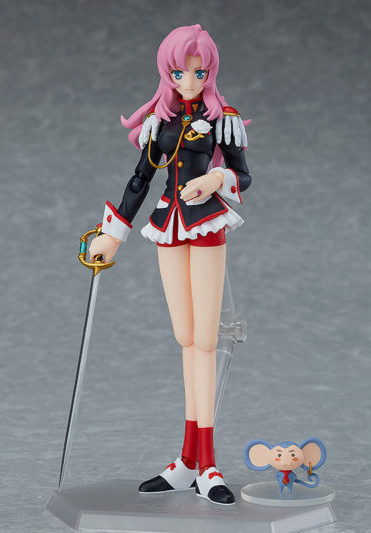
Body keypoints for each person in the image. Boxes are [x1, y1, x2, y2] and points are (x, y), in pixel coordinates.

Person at [89, 24, 252, 505]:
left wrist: (216, 179)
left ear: (210, 72)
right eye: (179, 72)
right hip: (168, 226)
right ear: (167, 73)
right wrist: (113, 235)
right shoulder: (159, 122)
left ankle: (208, 464)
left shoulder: (224, 120)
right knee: (185, 339)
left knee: (207, 340)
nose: (189, 81)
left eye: (199, 72)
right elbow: (140, 179)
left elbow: (243, 175)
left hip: (207, 225)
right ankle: (187, 461)